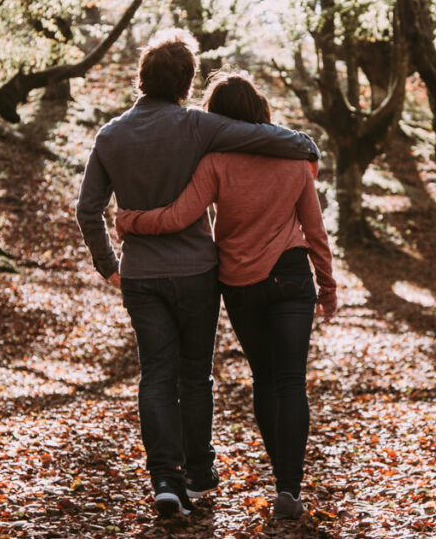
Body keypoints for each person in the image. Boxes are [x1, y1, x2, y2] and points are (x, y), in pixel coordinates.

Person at [76, 30, 320, 518]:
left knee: (156, 374)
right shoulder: (197, 126)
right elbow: (261, 136)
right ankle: (198, 469)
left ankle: (165, 479)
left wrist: (110, 267)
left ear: (142, 77)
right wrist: (304, 142)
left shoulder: (109, 135)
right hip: (196, 273)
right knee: (194, 375)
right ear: (186, 82)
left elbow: (88, 211)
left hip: (141, 274)